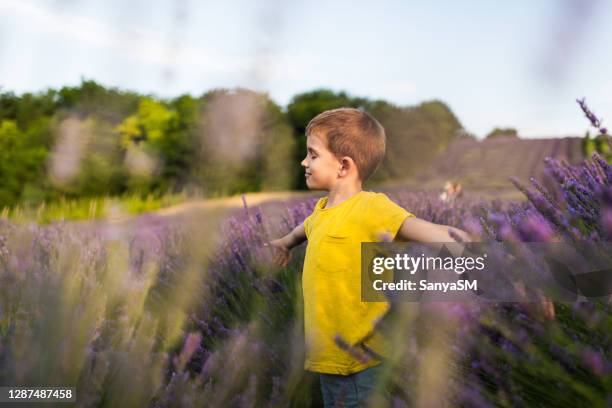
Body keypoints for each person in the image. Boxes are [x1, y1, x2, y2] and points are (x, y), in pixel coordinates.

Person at [267, 108, 472, 407]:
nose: (304, 162)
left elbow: (434, 233)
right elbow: (306, 229)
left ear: (343, 166)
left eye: (312, 154)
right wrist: (285, 243)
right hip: (329, 359)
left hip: (360, 362)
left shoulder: (372, 208)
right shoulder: (321, 210)